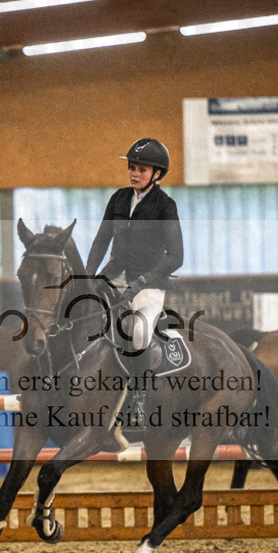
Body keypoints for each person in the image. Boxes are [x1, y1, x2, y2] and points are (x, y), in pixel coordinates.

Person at [86, 137, 184, 424]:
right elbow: (101, 241)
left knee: (138, 332)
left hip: (148, 283)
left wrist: (143, 280)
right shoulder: (118, 198)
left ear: (157, 173)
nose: (134, 173)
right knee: (83, 315)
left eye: (142, 169)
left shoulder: (165, 205)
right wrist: (87, 277)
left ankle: (139, 395)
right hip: (113, 275)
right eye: (132, 167)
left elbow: (176, 256)